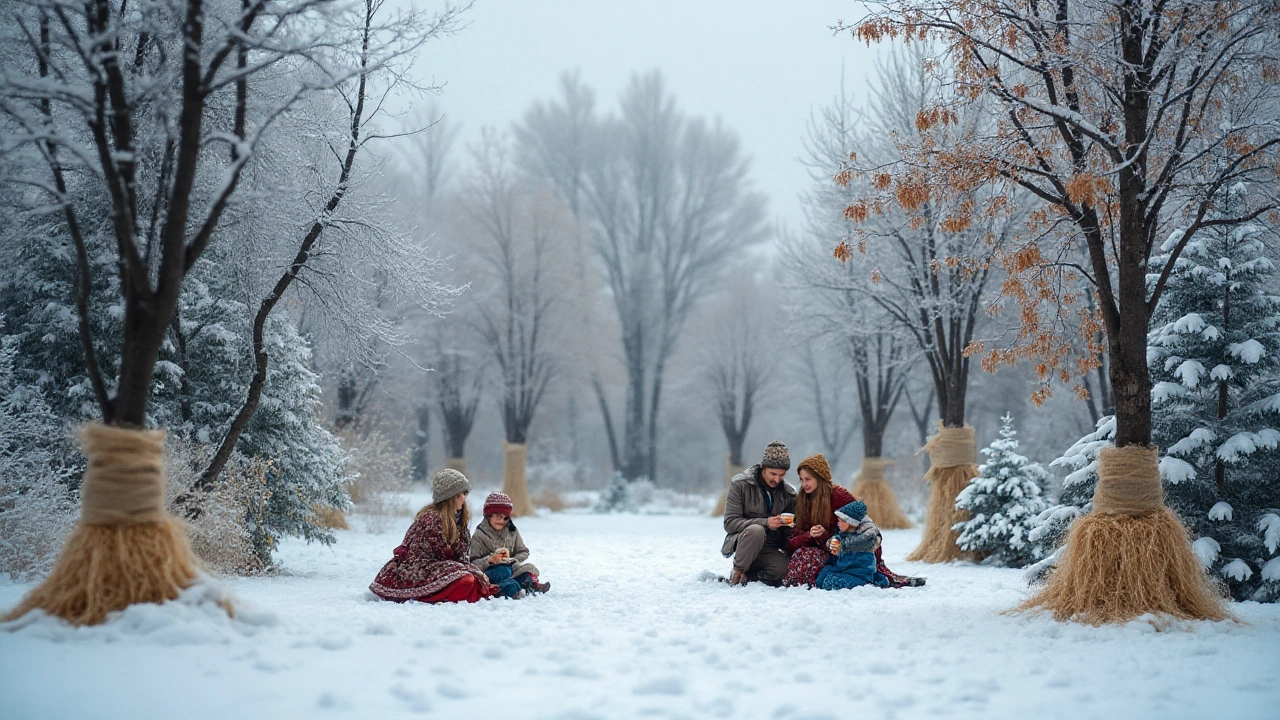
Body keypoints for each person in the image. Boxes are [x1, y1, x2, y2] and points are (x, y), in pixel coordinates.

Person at [782, 453, 924, 589]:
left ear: (820, 478)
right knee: (803, 556)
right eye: (801, 480)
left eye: (808, 479)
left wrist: (829, 537)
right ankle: (816, 581)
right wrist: (809, 536)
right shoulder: (803, 501)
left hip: (845, 552)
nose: (804, 484)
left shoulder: (839, 497)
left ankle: (850, 579)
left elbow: (863, 527)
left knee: (811, 560)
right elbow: (793, 540)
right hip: (822, 551)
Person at [369, 469, 499, 603]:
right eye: (463, 492)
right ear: (451, 495)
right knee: (467, 580)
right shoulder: (432, 519)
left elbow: (460, 557)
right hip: (420, 570)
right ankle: (430, 597)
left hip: (445, 568)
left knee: (475, 579)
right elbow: (431, 557)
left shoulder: (460, 520)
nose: (465, 497)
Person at [722, 441, 797, 586]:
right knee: (756, 530)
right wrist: (766, 522)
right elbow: (730, 523)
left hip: (769, 547)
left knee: (784, 570)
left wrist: (790, 526)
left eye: (781, 475)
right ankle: (737, 572)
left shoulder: (789, 494)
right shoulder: (740, 484)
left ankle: (750, 577)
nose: (777, 479)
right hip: (744, 542)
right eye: (773, 474)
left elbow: (791, 531)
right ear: (763, 467)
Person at [470, 492, 551, 598]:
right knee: (502, 571)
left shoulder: (512, 531)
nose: (502, 521)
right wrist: (489, 560)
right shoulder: (479, 535)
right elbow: (473, 563)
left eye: (505, 517)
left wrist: (512, 559)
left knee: (528, 568)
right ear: (488, 515)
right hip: (491, 572)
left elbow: (523, 551)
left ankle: (532, 584)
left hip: (512, 568)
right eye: (498, 517)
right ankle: (506, 589)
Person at [816, 500, 890, 590]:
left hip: (859, 573)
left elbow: (863, 543)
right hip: (844, 569)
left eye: (841, 521)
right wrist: (831, 543)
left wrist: (842, 547)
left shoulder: (862, 540)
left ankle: (869, 584)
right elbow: (836, 539)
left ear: (850, 522)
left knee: (834, 582)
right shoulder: (844, 533)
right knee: (822, 577)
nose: (838, 523)